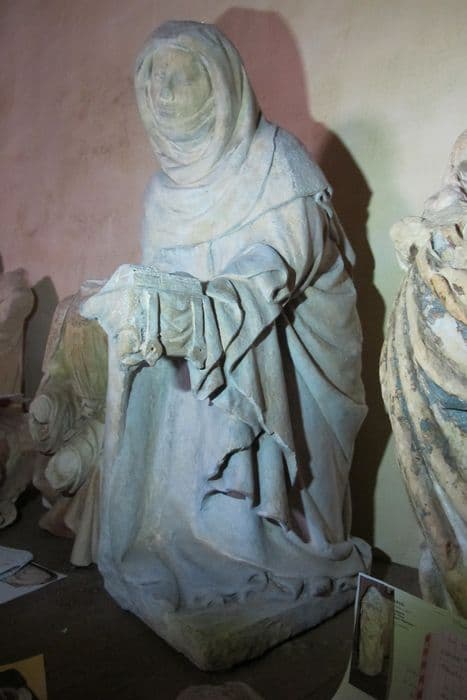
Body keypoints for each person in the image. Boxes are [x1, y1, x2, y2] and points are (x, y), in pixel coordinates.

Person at [83, 21, 369, 626]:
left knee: (292, 526)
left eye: (180, 76)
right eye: (153, 82)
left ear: (221, 83)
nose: (163, 94)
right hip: (202, 390)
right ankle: (202, 536)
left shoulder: (278, 163)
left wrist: (202, 310)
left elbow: (274, 265)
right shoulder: (161, 195)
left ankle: (270, 544)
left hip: (292, 378)